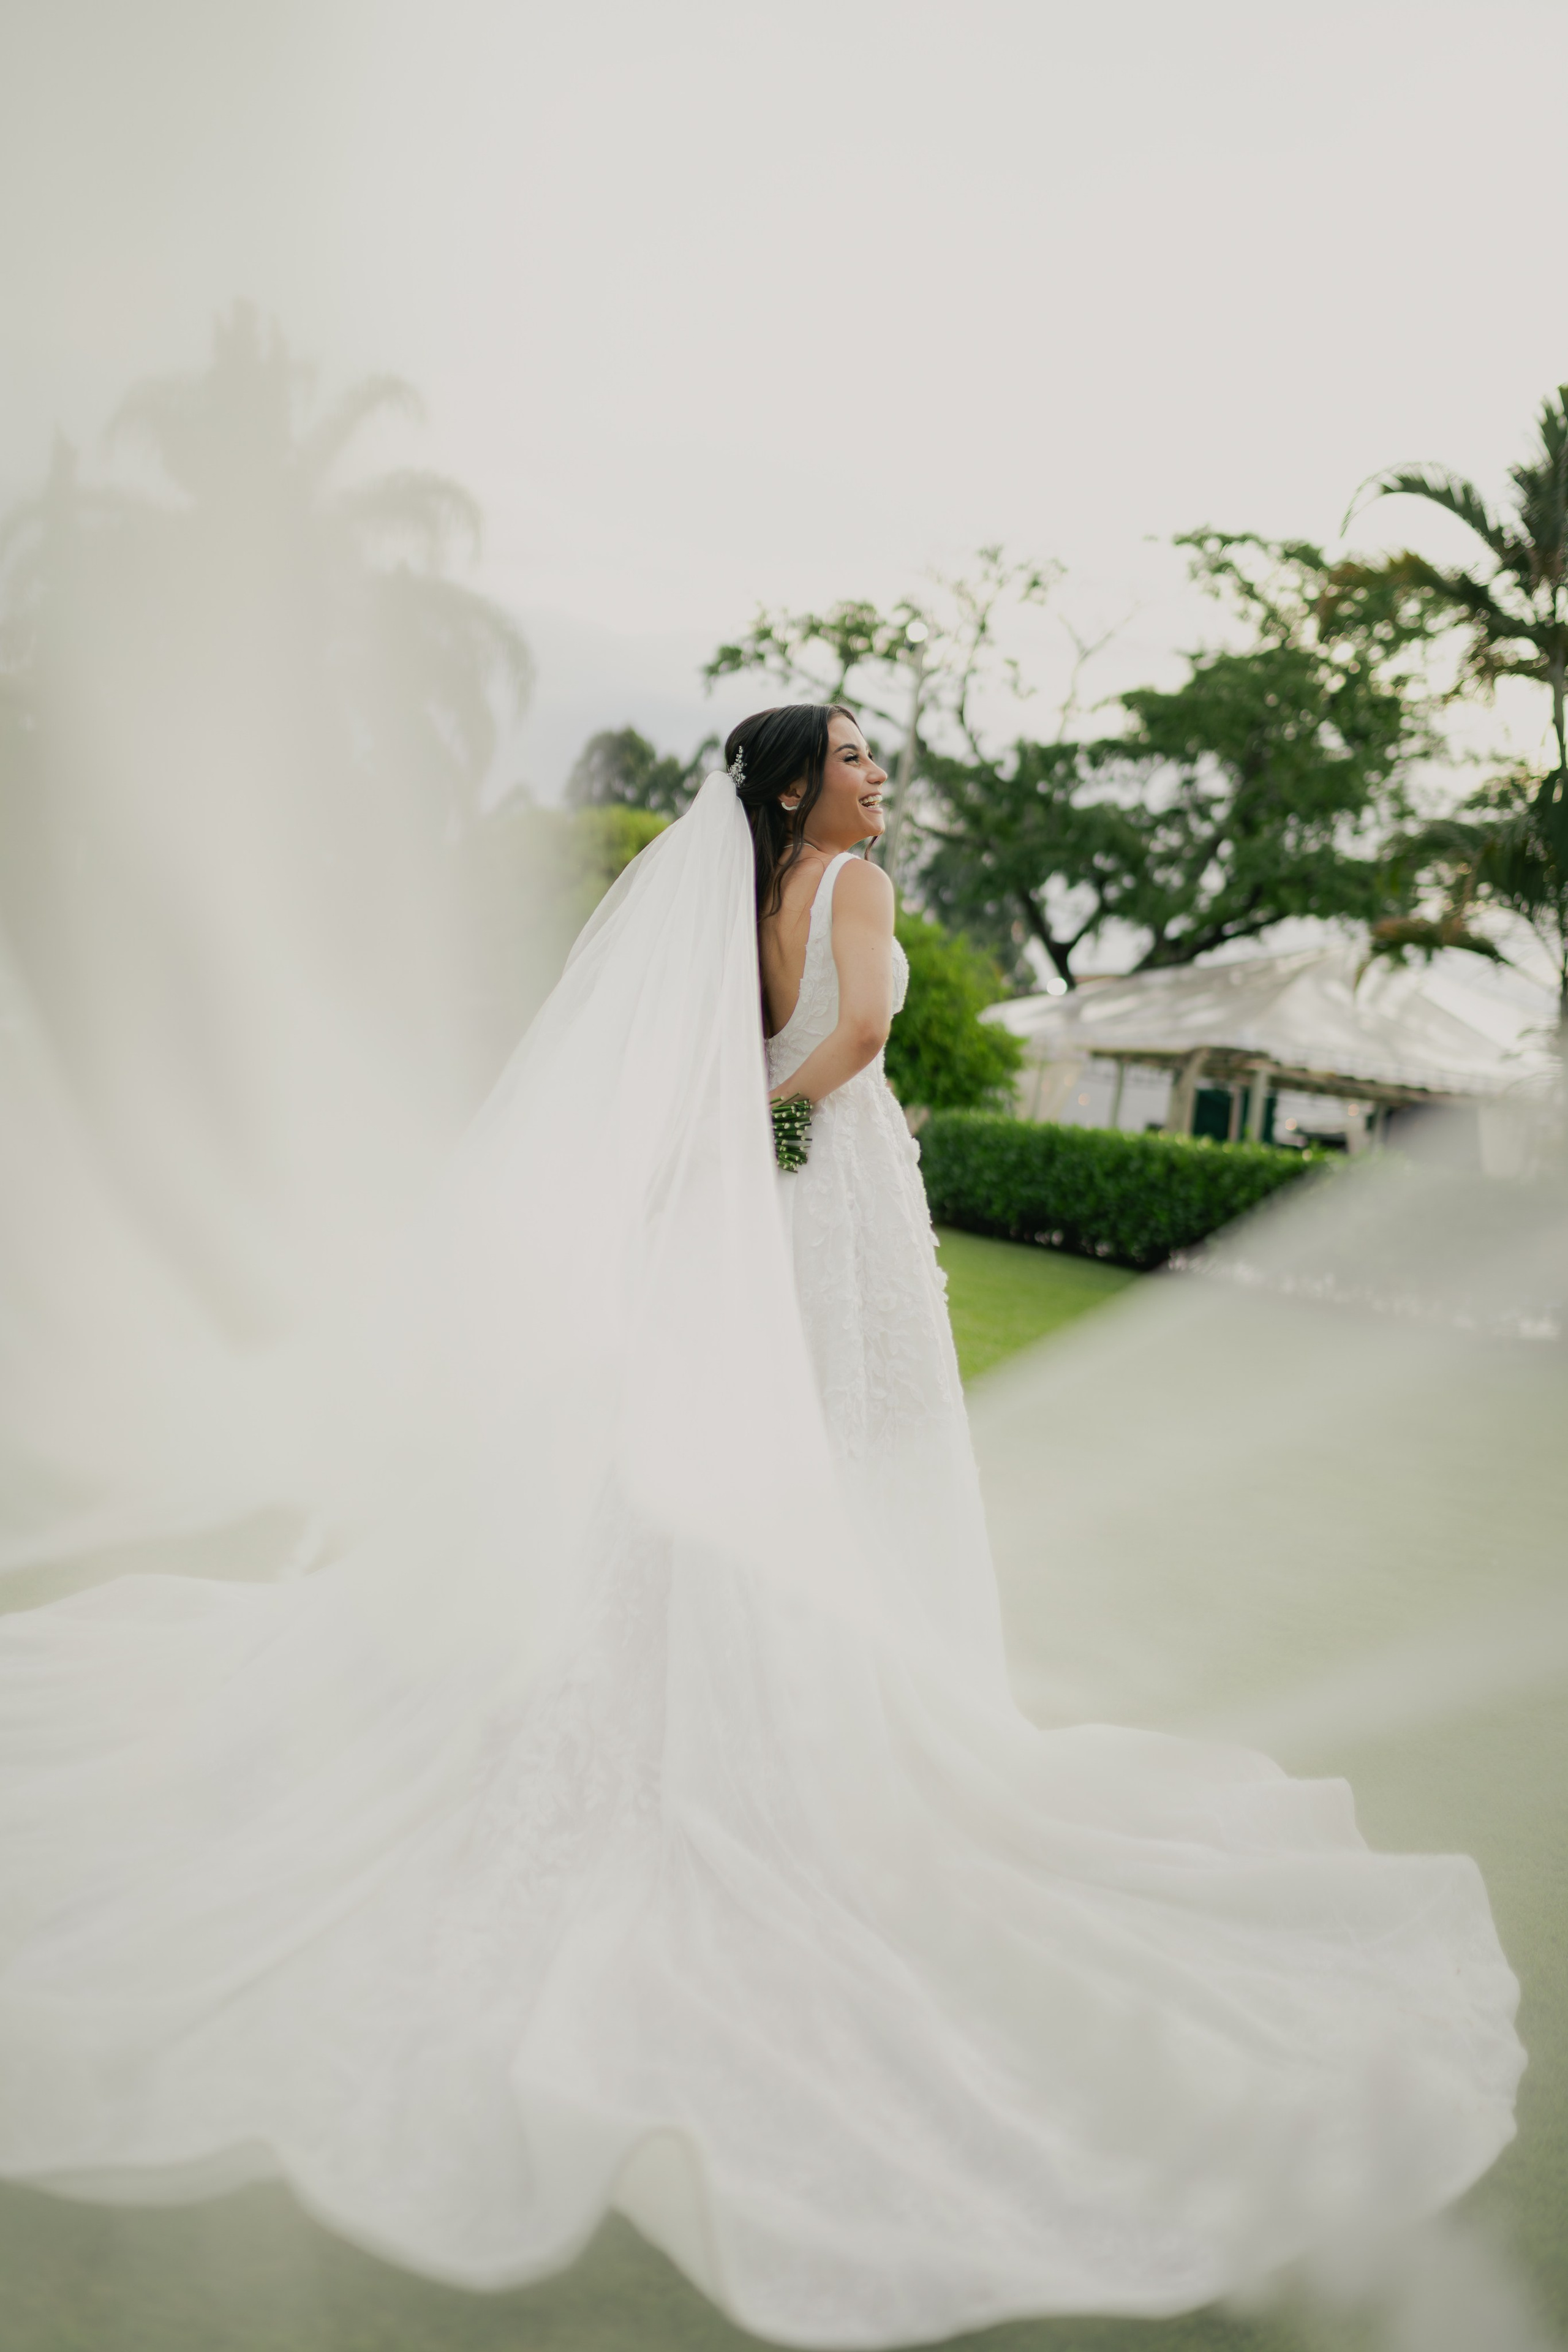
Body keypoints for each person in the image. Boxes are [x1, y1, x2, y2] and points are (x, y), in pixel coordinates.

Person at [0, 705, 1523, 2347]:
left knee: (704, 1447)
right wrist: (777, 1122)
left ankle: (682, 1661)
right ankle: (800, 1697)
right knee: (837, 1449)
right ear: (802, 785)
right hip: (818, 1193)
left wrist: (726, 1131)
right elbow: (862, 1041)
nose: (883, 783)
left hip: (735, 1213)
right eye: (861, 760)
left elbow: (692, 1067)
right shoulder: (850, 887)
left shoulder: (719, 902)